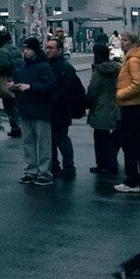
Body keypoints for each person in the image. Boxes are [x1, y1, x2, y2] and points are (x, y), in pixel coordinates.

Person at [114, 32, 140, 196]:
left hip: (133, 106)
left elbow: (138, 84)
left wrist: (120, 94)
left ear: (133, 42)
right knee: (134, 144)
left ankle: (135, 180)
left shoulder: (133, 60)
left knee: (133, 145)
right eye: (121, 40)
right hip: (133, 105)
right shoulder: (132, 59)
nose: (122, 43)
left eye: (125, 40)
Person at [11, 37, 56, 186]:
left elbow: (50, 86)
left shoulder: (44, 67)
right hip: (26, 109)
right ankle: (30, 171)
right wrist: (14, 87)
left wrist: (31, 87)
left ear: (35, 50)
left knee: (43, 144)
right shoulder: (22, 68)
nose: (25, 51)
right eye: (24, 48)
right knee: (28, 143)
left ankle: (45, 172)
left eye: (28, 49)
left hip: (41, 109)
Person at [46, 35, 82, 179]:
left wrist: (54, 97)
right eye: (47, 47)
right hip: (51, 108)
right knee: (51, 139)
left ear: (60, 50)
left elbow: (70, 88)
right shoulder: (49, 65)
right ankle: (54, 166)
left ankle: (68, 167)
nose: (48, 50)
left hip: (61, 108)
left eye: (51, 48)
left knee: (61, 138)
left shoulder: (65, 67)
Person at [85, 42, 121, 178]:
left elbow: (93, 90)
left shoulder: (99, 70)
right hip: (115, 104)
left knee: (100, 137)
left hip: (100, 107)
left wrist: (86, 102)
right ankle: (111, 163)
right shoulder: (117, 69)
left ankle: (103, 164)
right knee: (110, 138)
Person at [0, 28, 24, 138]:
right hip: (18, 78)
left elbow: (3, 65)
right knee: (17, 103)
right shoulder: (15, 48)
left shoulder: (2, 51)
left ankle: (16, 127)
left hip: (8, 80)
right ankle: (19, 126)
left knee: (9, 104)